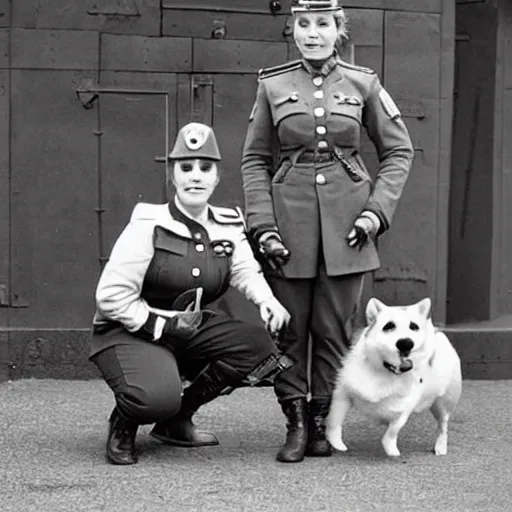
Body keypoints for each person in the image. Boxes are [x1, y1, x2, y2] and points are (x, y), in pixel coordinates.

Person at [240, 0, 414, 463]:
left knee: (335, 329)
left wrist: (375, 212)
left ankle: (322, 422)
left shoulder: (363, 83)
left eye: (322, 23)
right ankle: (295, 425)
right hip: (288, 224)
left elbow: (399, 152)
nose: (311, 33)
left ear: (339, 29)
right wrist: (262, 225)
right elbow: (255, 159)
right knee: (290, 331)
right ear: (292, 29)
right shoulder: (272, 85)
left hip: (348, 226)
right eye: (303, 24)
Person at [90, 122, 291, 465]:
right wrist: (162, 325)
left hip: (188, 327)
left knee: (257, 346)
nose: (195, 176)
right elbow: (110, 297)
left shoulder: (227, 222)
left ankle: (176, 420)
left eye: (205, 168)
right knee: (155, 397)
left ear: (216, 176)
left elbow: (243, 269)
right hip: (129, 329)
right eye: (186, 168)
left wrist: (267, 300)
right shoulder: (148, 224)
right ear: (173, 176)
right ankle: (124, 423)